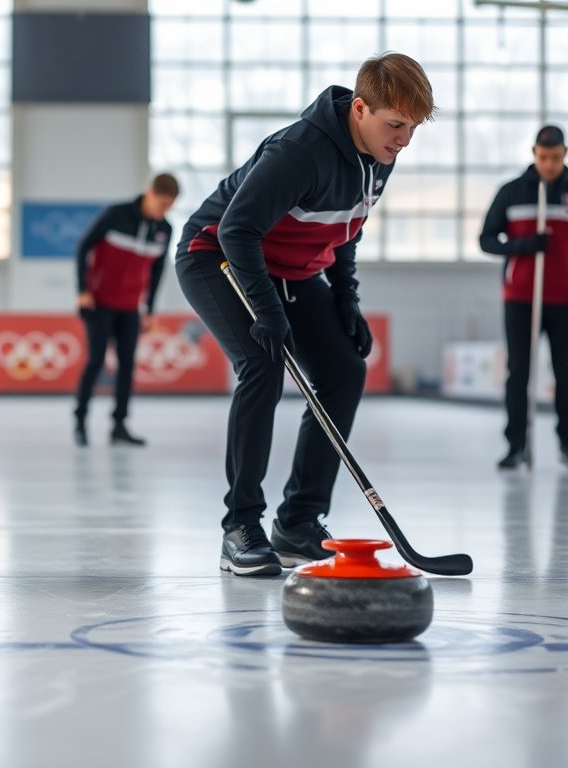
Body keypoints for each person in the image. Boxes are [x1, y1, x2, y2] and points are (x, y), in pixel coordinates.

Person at [175, 52, 435, 577]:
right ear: (359, 109)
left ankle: (298, 522)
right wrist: (268, 313)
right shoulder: (299, 151)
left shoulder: (378, 154)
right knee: (262, 364)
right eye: (395, 125)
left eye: (412, 128)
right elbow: (236, 231)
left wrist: (346, 299)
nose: (404, 139)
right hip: (219, 258)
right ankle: (240, 526)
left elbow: (346, 229)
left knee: (344, 372)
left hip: (292, 270)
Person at [480, 124, 568, 471]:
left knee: (565, 372)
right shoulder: (512, 192)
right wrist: (524, 246)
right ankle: (515, 445)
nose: (549, 164)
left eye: (555, 158)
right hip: (520, 297)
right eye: (543, 157)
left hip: (566, 299)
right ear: (534, 154)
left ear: (564, 154)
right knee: (518, 372)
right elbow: (486, 239)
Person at [72, 173, 179, 447]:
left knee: (127, 366)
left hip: (131, 308)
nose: (163, 210)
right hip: (99, 303)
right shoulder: (116, 214)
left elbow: (157, 272)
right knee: (96, 361)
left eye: (169, 205)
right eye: (161, 203)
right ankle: (81, 421)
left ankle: (119, 425)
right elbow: (84, 246)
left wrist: (150, 309)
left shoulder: (164, 229)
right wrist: (82, 290)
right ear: (149, 192)